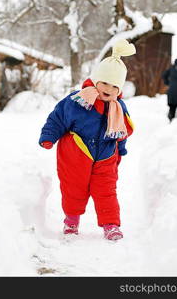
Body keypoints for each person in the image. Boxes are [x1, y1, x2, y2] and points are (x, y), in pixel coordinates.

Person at [38, 39, 135, 241]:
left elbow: (121, 131)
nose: (108, 88)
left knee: (107, 192)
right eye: (105, 83)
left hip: (106, 156)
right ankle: (71, 220)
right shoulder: (77, 100)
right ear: (96, 80)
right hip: (76, 153)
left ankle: (111, 225)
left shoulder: (119, 108)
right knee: (74, 188)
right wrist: (49, 136)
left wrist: (121, 150)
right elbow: (57, 118)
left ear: (120, 89)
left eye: (114, 85)